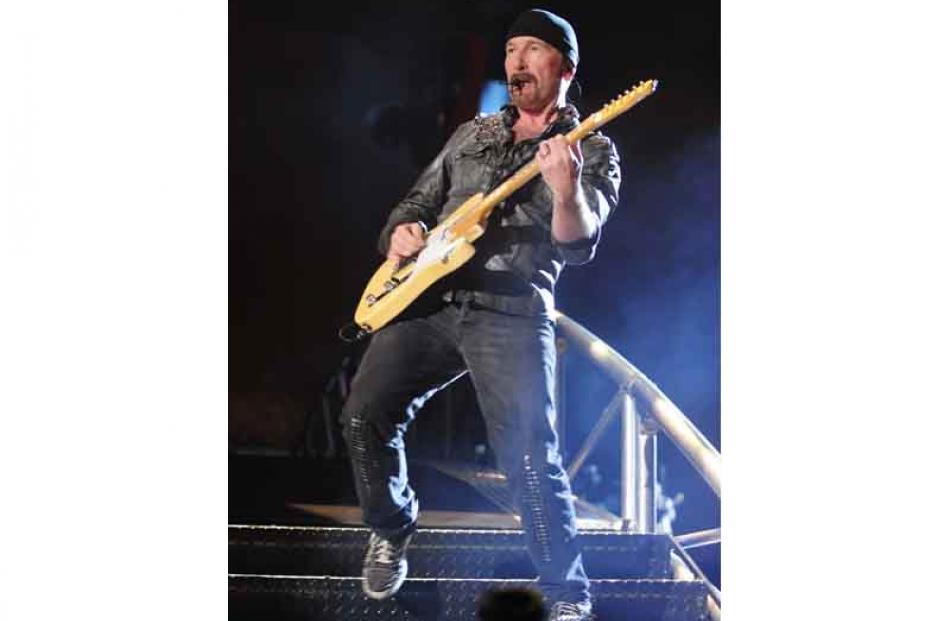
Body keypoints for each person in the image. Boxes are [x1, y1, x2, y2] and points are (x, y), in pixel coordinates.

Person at [341, 9, 620, 621]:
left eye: (532, 50)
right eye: (510, 49)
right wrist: (402, 233)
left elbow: (578, 245)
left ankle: (568, 591)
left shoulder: (591, 147)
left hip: (512, 311)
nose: (516, 62)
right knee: (364, 416)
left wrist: (566, 189)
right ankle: (391, 528)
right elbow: (415, 201)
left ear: (565, 69)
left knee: (527, 458)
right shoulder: (471, 134)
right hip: (434, 301)